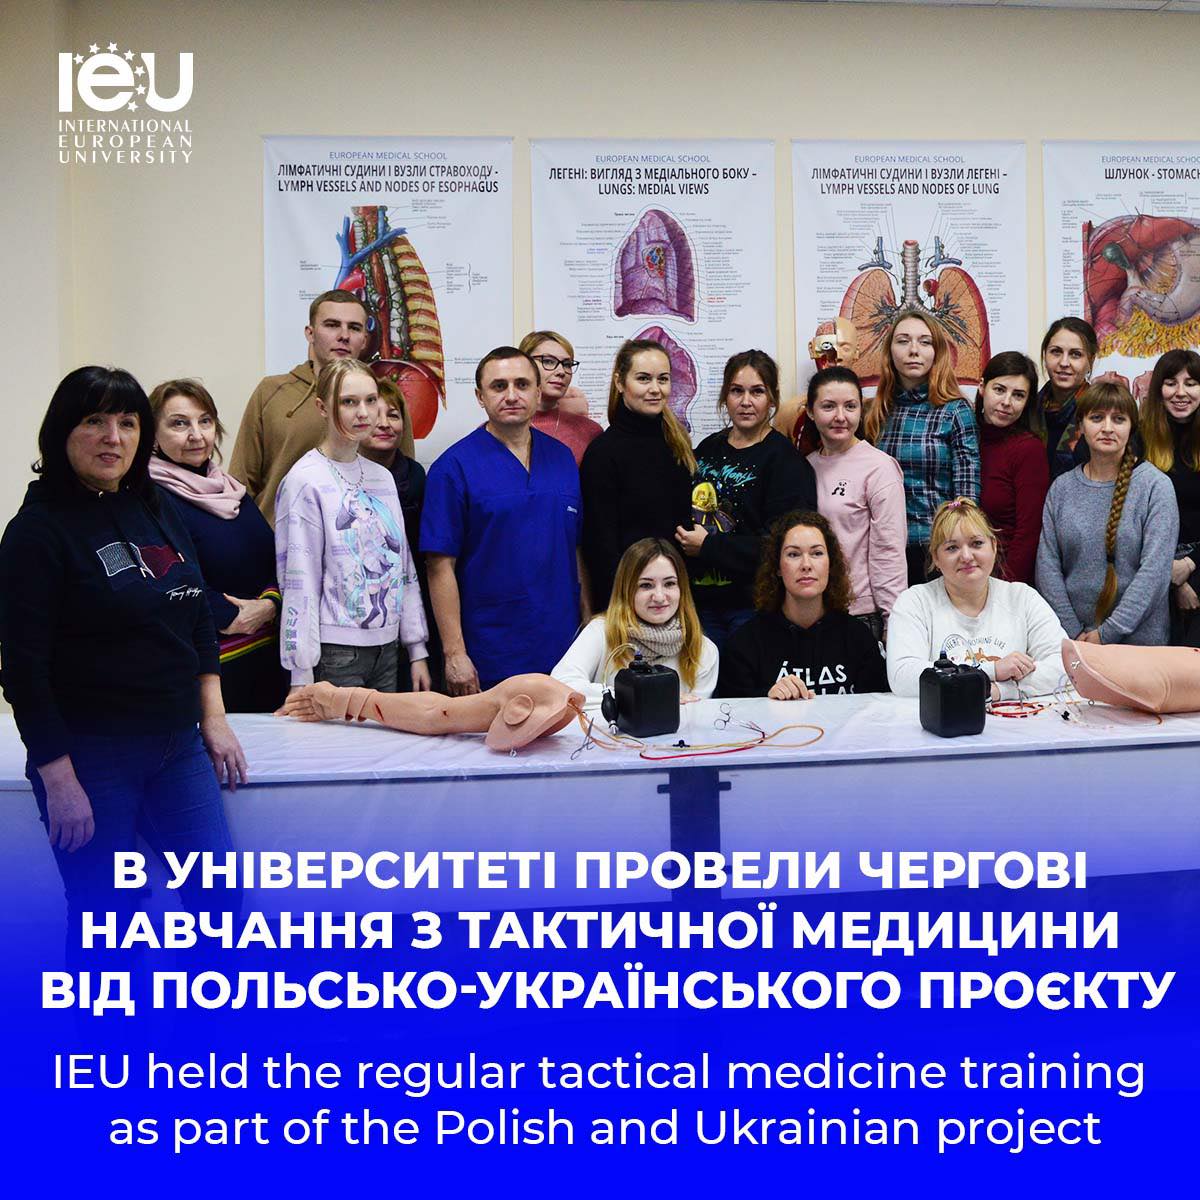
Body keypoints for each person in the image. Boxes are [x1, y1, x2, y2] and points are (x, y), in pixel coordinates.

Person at [0, 366, 246, 942]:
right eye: (95, 421)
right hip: (91, 756)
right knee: (107, 917)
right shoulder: (37, 531)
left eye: (128, 423)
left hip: (177, 746)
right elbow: (24, 670)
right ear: (61, 432)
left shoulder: (154, 506)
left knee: (219, 899)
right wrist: (59, 780)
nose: (113, 437)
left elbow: (196, 614)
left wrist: (213, 718)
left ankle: (210, 1003)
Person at [422, 347, 585, 695]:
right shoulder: (452, 468)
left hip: (563, 646)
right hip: (491, 649)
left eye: (522, 384)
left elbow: (575, 548)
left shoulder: (562, 459)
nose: (511, 395)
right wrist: (454, 654)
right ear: (480, 396)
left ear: (538, 392)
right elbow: (439, 566)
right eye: (498, 386)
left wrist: (587, 625)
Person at [275, 358, 430, 694]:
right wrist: (300, 674)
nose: (363, 413)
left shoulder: (382, 478)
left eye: (370, 400)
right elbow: (299, 579)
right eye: (348, 402)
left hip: (388, 647)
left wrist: (417, 648)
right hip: (336, 651)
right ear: (322, 407)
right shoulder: (305, 480)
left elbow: (403, 566)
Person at [148, 379, 289, 713]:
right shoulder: (149, 500)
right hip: (211, 671)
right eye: (179, 423)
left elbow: (274, 559)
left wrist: (269, 605)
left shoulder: (231, 489)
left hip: (267, 659)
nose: (196, 435)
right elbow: (169, 582)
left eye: (205, 421)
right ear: (152, 434)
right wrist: (233, 616)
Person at [676, 350, 816, 651]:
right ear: (725, 396)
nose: (746, 401)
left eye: (757, 391)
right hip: (699, 602)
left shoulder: (786, 462)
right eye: (736, 391)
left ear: (772, 398)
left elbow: (783, 545)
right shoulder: (708, 448)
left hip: (752, 605)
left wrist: (709, 547)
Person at [1037, 380, 1178, 646]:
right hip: (1073, 642)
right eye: (1097, 418)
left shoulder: (1155, 487)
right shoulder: (1061, 489)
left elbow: (1155, 573)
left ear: (1132, 427)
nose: (1108, 428)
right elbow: (1047, 568)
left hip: (1139, 646)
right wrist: (1073, 631)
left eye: (1119, 419)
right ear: (1080, 426)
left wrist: (1106, 634)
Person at [887, 498, 1068, 699]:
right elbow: (902, 677)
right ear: (936, 557)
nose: (966, 556)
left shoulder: (1023, 598)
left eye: (977, 543)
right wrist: (992, 670)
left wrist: (999, 691)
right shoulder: (914, 602)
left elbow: (1066, 667)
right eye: (952, 548)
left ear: (994, 546)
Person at [231, 288, 371, 526]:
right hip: (277, 538)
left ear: (364, 339)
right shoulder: (271, 391)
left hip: (358, 540)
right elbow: (241, 482)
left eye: (354, 328)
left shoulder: (382, 400)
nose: (344, 335)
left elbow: (404, 480)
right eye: (332, 325)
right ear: (310, 333)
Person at [717, 511, 888, 699]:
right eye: (793, 554)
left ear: (830, 564)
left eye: (817, 553)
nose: (806, 564)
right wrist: (767, 699)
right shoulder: (745, 644)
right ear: (777, 567)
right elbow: (731, 712)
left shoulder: (858, 638)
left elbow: (878, 709)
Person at [580, 338, 695, 609]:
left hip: (675, 596)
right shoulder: (603, 453)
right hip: (627, 600)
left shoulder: (678, 444)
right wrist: (623, 606)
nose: (655, 389)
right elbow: (601, 547)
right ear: (620, 383)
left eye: (663, 379)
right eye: (643, 379)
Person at [869, 311, 979, 587]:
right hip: (886, 546)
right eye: (903, 341)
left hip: (938, 547)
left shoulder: (955, 410)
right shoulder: (877, 411)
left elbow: (967, 494)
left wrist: (958, 547)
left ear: (937, 352)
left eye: (925, 342)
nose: (914, 350)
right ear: (890, 351)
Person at [805, 365, 907, 641]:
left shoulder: (879, 468)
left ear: (861, 411)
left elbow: (889, 550)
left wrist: (893, 621)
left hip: (861, 614)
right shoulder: (805, 466)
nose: (841, 417)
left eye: (850, 406)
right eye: (829, 406)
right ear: (810, 411)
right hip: (811, 611)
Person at [552, 537, 718, 704]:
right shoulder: (601, 631)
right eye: (646, 585)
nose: (659, 597)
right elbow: (562, 685)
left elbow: (695, 716)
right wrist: (642, 695)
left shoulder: (704, 650)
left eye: (669, 584)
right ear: (626, 589)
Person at [361, 387, 440, 685]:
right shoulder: (337, 477)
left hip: (413, 599)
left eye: (393, 416)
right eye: (374, 415)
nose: (384, 424)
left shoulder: (416, 475)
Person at [1139, 349, 1200, 645]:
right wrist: (1173, 578)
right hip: (1150, 568)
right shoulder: (1139, 439)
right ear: (1158, 389)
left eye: (1191, 383)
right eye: (1171, 383)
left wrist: (1189, 566)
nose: (1180, 393)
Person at [975, 351, 1049, 585]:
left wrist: (1004, 590)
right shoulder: (964, 437)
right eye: (999, 390)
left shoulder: (1029, 450)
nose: (1007, 402)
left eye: (1018, 395)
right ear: (982, 387)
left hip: (1004, 578)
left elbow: (1028, 534)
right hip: (960, 574)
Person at [518, 329, 602, 465]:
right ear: (524, 364)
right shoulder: (501, 427)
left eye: (567, 364)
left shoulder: (589, 431)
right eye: (548, 361)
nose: (561, 371)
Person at [1035, 317, 1097, 480]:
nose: (1064, 362)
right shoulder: (1028, 410)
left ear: (1090, 361)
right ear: (1045, 355)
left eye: (1075, 354)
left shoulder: (1101, 412)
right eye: (1056, 352)